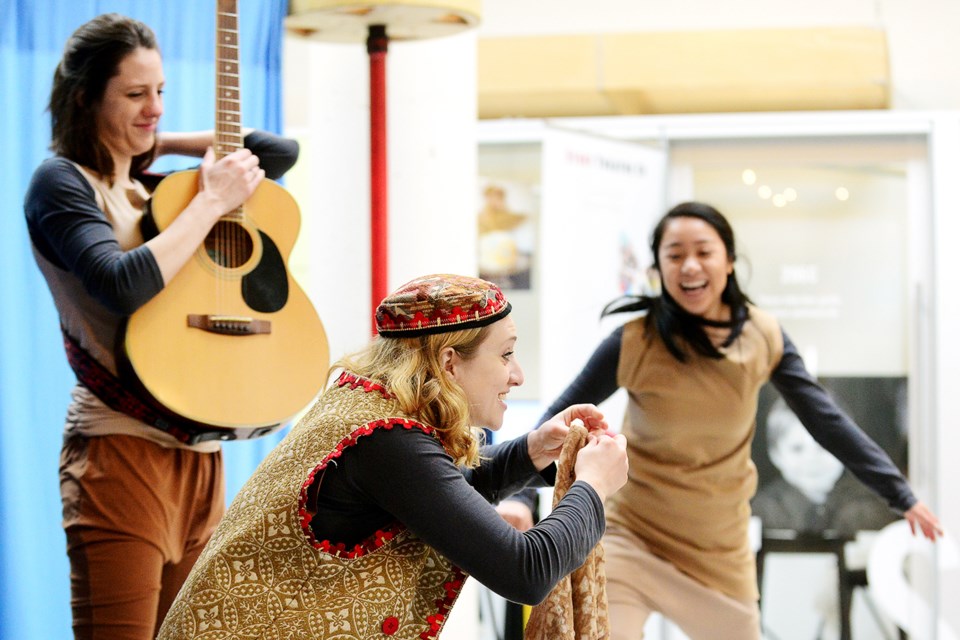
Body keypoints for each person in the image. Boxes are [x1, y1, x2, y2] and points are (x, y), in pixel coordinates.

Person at [502, 201, 942, 639]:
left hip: (720, 552)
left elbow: (826, 420)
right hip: (632, 537)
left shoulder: (762, 336)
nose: (689, 266)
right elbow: (555, 425)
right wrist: (521, 499)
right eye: (674, 255)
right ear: (659, 268)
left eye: (704, 252)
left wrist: (898, 493)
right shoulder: (634, 342)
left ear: (729, 261)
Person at [23, 13, 300, 640]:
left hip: (201, 456)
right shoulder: (61, 183)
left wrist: (156, 140)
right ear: (85, 98)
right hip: (119, 452)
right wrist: (210, 200)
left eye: (161, 91)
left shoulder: (151, 187)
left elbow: (280, 152)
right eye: (134, 94)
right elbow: (121, 283)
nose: (153, 107)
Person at [157, 273, 629, 639]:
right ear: (449, 363)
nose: (518, 375)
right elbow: (526, 570)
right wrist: (593, 487)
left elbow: (439, 494)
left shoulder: (365, 403)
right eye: (505, 355)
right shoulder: (387, 442)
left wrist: (530, 452)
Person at [752, 396, 898, 537]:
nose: (811, 459)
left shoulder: (870, 506)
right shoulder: (765, 509)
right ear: (776, 455)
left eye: (824, 446)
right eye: (797, 448)